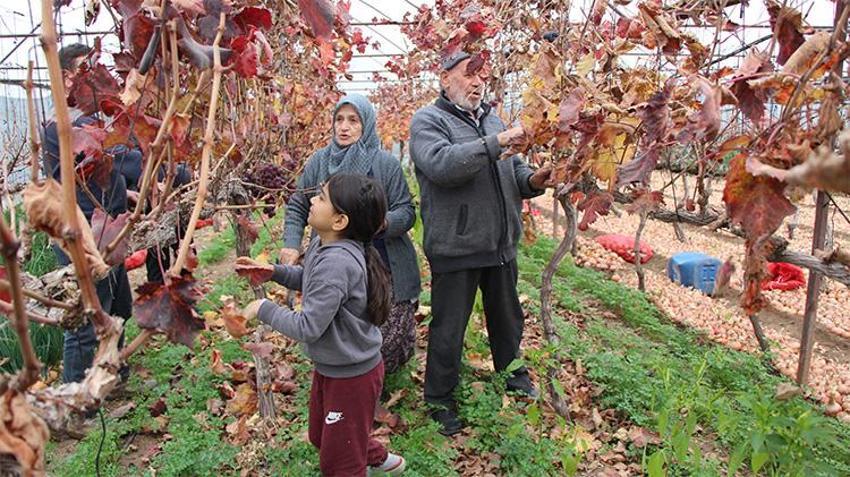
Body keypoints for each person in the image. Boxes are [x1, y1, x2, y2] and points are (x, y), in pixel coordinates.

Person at [409, 51, 555, 435]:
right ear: (445, 79)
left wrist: (533, 181)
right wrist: (496, 142)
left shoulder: (493, 118)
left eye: (482, 76)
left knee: (508, 320)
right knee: (449, 329)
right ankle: (439, 399)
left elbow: (513, 172)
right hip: (456, 247)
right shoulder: (429, 121)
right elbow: (443, 166)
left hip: (500, 242)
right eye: (468, 75)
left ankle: (514, 376)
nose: (477, 82)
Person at [239, 174, 406, 476]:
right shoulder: (322, 243)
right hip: (334, 367)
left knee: (338, 464)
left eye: (322, 198)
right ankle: (377, 457)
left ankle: (358, 464)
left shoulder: (337, 263)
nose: (313, 200)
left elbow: (307, 327)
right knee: (321, 435)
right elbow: (310, 280)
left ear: (340, 221)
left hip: (352, 376)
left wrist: (263, 308)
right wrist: (273, 272)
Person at [279, 93, 420, 376]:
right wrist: (292, 244)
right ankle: (351, 383)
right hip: (334, 258)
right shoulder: (319, 162)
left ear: (365, 125)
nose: (344, 127)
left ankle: (376, 383)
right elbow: (298, 203)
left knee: (387, 336)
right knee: (340, 329)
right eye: (339, 120)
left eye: (353, 121)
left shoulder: (384, 164)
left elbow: (406, 211)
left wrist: (379, 223)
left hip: (382, 261)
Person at [42, 43, 140, 384]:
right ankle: (78, 400)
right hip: (82, 234)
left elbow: (99, 170)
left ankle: (114, 376)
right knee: (87, 320)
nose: (99, 74)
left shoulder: (91, 116)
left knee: (118, 308)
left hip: (107, 227)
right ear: (68, 77)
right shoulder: (66, 122)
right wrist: (128, 100)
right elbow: (117, 152)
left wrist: (123, 191)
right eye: (89, 68)